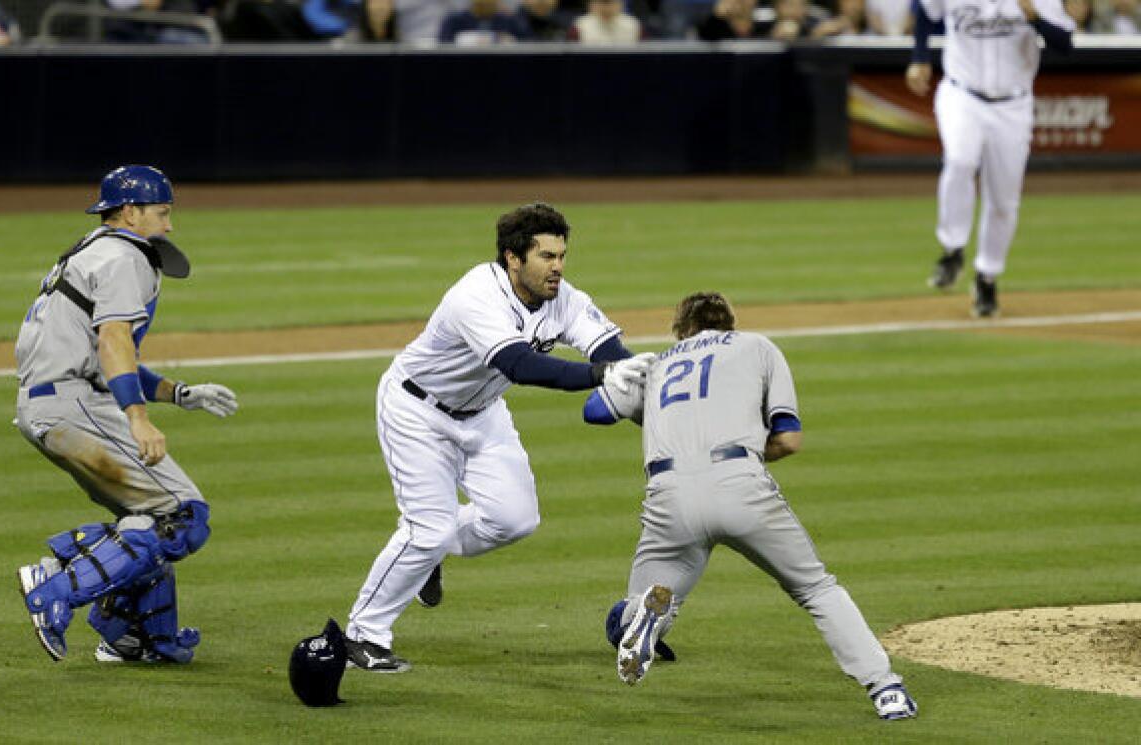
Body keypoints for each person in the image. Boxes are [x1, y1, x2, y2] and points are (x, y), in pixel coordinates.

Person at [341, 202, 655, 673]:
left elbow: (611, 352)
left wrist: (644, 393)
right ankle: (363, 636)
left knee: (515, 519)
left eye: (562, 255)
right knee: (428, 528)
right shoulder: (476, 295)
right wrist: (603, 374)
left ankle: (428, 556)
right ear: (513, 258)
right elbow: (520, 365)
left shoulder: (563, 297)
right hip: (416, 410)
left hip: (483, 412)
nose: (558, 267)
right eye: (546, 256)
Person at [585, 292, 918, 720]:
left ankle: (641, 615)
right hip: (738, 481)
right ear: (731, 323)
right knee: (816, 588)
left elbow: (594, 412)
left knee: (651, 598)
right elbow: (789, 439)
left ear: (680, 330)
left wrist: (620, 379)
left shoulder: (658, 363)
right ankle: (886, 690)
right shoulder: (757, 346)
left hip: (668, 496)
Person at [14, 165, 238, 664]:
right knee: (182, 516)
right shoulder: (123, 257)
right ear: (130, 212)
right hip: (74, 405)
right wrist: (137, 417)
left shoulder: (94, 248)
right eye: (162, 212)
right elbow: (113, 340)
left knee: (150, 517)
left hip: (50, 402)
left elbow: (106, 357)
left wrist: (178, 393)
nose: (170, 224)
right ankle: (55, 584)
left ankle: (135, 636)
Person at [907, 0, 1075, 317]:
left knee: (1003, 201)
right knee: (960, 160)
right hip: (961, 94)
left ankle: (987, 277)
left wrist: (1035, 17)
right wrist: (919, 57)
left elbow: (1065, 45)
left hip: (1014, 104)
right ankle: (953, 248)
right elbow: (924, 13)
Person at [439, 0, 522, 45]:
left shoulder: (509, 21)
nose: (485, 2)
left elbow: (526, 42)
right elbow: (444, 44)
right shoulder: (454, 21)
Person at [571, 0, 643, 43]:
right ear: (591, 5)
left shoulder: (633, 24)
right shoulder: (580, 25)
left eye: (610, 2)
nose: (606, 8)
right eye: (602, 2)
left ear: (620, 4)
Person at [695, 0, 768, 39]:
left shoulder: (766, 20)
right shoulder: (717, 24)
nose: (741, 2)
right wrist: (718, 16)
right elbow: (706, 35)